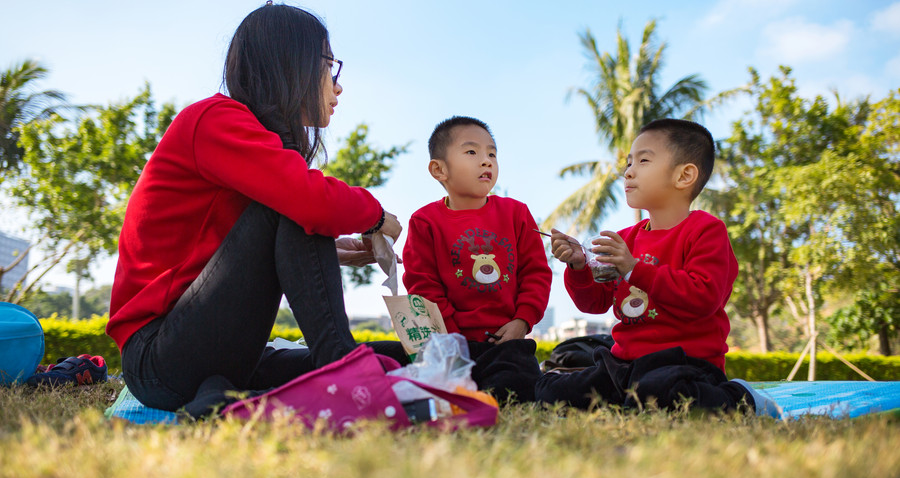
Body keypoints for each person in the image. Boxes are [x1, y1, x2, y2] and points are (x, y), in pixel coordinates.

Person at [107, 3, 406, 413]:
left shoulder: (248, 142)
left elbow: (220, 248)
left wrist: (330, 252)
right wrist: (377, 216)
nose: (338, 87)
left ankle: (220, 396)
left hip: (202, 353)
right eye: (330, 67)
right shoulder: (214, 119)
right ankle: (341, 366)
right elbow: (308, 202)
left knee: (389, 357)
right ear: (292, 62)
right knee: (299, 203)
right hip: (159, 358)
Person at [538, 118, 780, 417]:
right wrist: (578, 267)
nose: (628, 171)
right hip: (624, 365)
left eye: (643, 160)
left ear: (684, 175)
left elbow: (704, 297)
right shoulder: (628, 238)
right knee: (550, 392)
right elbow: (595, 303)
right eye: (629, 162)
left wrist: (634, 268)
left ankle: (742, 397)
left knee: (660, 394)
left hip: (684, 364)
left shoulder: (706, 230)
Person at [402, 116, 552, 402]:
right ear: (439, 169)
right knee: (393, 363)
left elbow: (537, 273)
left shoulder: (516, 213)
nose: (486, 161)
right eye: (472, 152)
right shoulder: (425, 221)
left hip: (506, 344)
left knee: (518, 384)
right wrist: (454, 343)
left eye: (492, 153)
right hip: (448, 345)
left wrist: (523, 320)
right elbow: (423, 288)